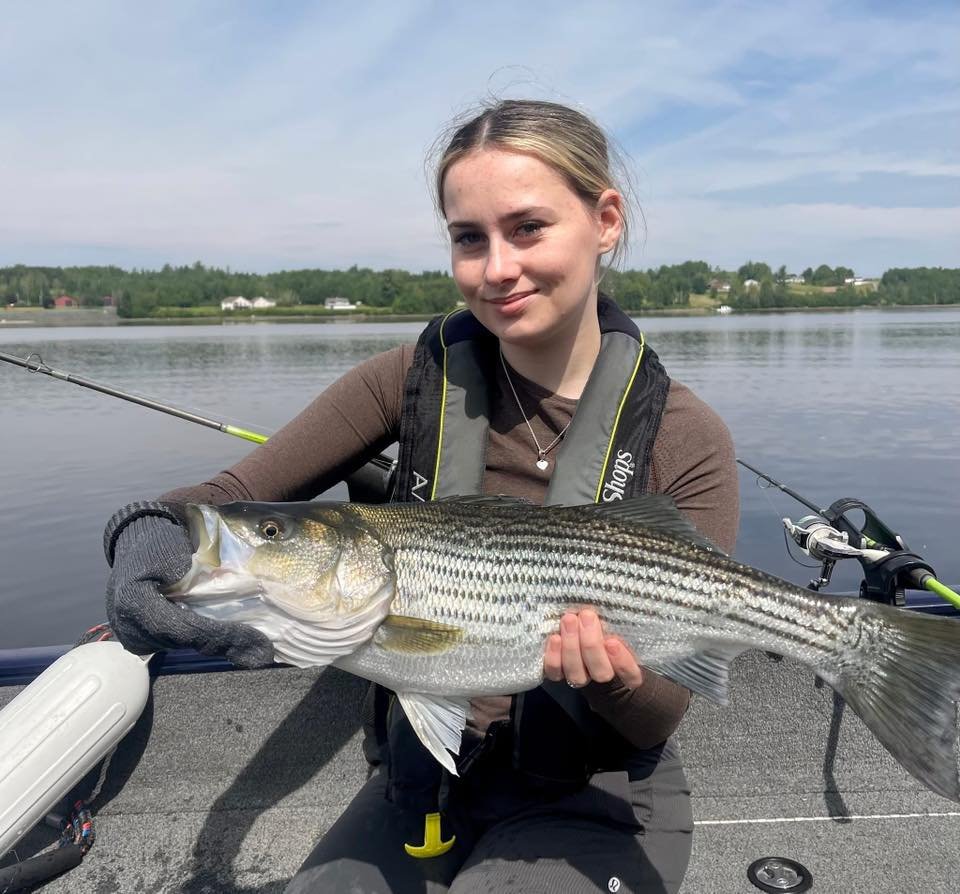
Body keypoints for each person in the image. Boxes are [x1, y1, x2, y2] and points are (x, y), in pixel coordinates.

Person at [103, 98, 738, 893]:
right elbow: (230, 497)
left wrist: (609, 671)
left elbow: (661, 714)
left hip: (596, 794)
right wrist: (147, 537)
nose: (496, 268)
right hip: (422, 780)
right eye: (469, 238)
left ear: (604, 221)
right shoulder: (409, 378)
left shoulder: (686, 435)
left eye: (528, 228)